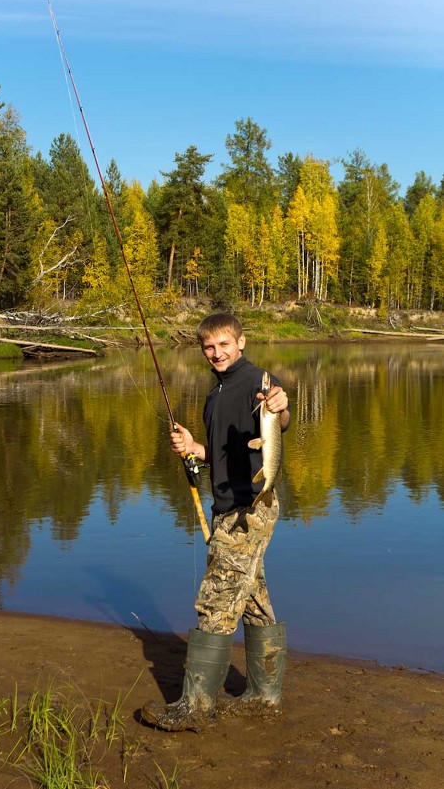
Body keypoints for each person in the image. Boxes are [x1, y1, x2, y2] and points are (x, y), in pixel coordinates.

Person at [141, 312, 290, 732]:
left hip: (250, 509)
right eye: (209, 346)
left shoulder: (258, 381)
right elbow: (221, 456)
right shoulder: (214, 394)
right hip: (227, 508)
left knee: (217, 599)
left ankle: (196, 706)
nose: (217, 352)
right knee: (252, 600)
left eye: (225, 344)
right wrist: (194, 447)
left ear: (240, 343)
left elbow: (279, 412)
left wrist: (279, 406)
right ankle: (263, 695)